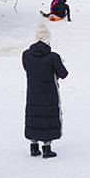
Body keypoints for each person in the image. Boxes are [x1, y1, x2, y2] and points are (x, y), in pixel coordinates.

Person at [22, 23, 69, 158]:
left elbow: (27, 69)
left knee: (34, 115)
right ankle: (47, 148)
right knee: (48, 116)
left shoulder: (26, 55)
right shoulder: (53, 57)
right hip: (49, 92)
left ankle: (34, 147)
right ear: (48, 40)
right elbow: (64, 74)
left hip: (32, 92)